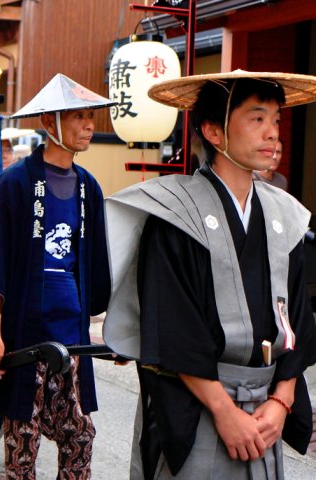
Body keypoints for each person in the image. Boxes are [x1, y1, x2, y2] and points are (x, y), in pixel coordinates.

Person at [103, 71, 316, 479]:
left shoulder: (284, 216)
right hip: (201, 405)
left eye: (276, 119)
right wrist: (224, 411)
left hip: (266, 410)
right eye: (257, 119)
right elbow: (173, 327)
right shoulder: (175, 215)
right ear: (213, 131)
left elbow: (298, 319)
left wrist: (283, 400)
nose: (273, 133)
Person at [0, 73, 114, 479]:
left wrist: (117, 330)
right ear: (50, 124)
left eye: (90, 117)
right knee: (22, 440)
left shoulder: (89, 188)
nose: (88, 126)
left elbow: (98, 266)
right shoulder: (15, 183)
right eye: (78, 116)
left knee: (79, 434)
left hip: (72, 333)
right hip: (25, 332)